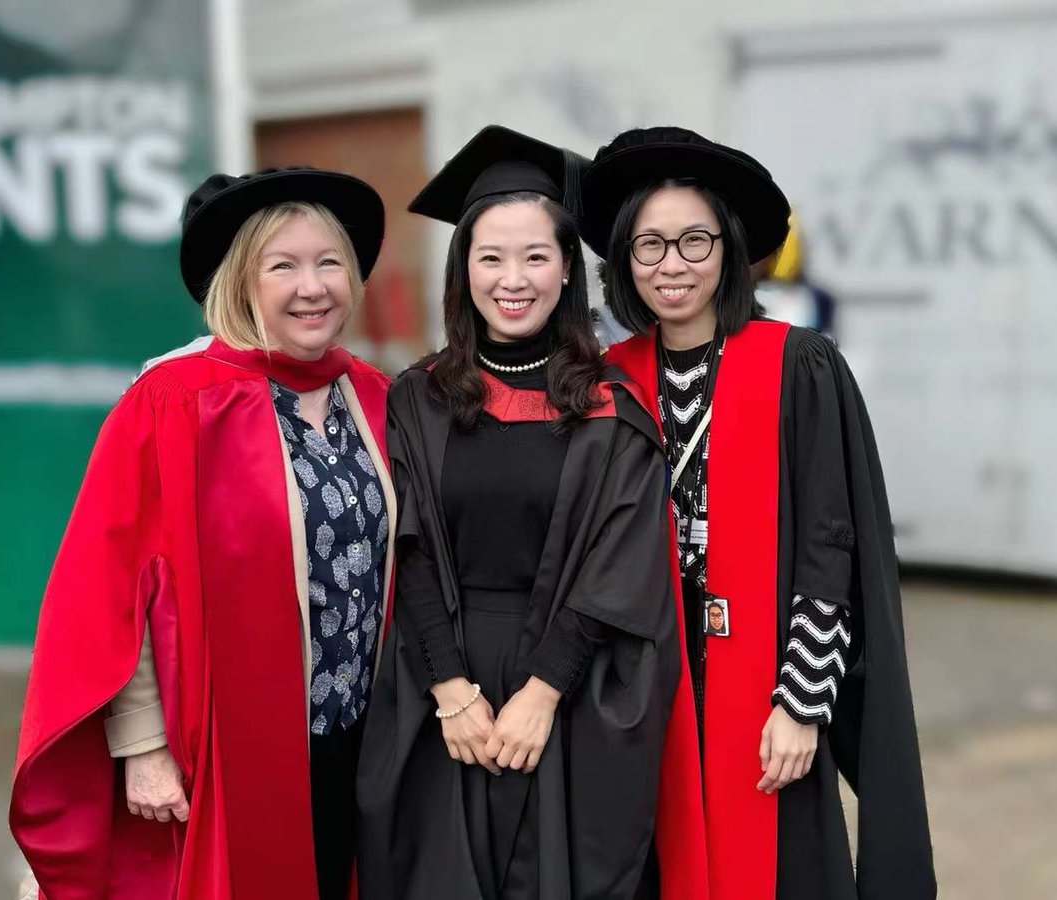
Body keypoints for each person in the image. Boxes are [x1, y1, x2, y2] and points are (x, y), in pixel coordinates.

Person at [10, 167, 395, 900]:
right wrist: (144, 745)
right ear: (241, 283)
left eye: (329, 263)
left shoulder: (374, 395)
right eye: (283, 266)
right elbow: (112, 586)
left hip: (359, 735)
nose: (312, 287)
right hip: (225, 745)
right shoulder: (175, 402)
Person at [581, 127, 935, 899]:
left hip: (763, 693)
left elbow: (830, 543)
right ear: (623, 260)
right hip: (645, 697)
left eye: (694, 241)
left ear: (729, 249)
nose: (672, 265)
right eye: (649, 246)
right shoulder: (608, 380)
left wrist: (802, 703)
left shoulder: (795, 365)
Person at [356, 126, 678, 900]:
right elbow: (413, 551)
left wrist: (541, 694)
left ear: (568, 268)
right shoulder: (418, 396)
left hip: (565, 693)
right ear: (462, 267)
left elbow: (618, 563)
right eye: (490, 256)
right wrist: (451, 690)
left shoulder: (612, 408)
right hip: (444, 686)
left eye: (536, 256)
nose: (513, 278)